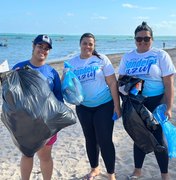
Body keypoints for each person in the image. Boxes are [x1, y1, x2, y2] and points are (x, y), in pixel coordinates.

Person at [118, 22, 176, 180]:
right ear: (134, 39)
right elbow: (121, 80)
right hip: (134, 104)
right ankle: (137, 171)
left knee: (158, 138)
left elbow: (169, 83)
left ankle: (165, 175)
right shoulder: (128, 56)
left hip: (155, 102)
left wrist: (168, 107)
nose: (142, 42)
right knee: (139, 136)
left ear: (152, 39)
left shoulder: (160, 55)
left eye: (146, 38)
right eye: (139, 39)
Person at [63, 33, 121, 180]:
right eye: (85, 43)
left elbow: (113, 83)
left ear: (94, 46)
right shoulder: (72, 62)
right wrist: (65, 75)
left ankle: (111, 174)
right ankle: (94, 169)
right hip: (83, 107)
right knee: (90, 139)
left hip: (104, 105)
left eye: (90, 44)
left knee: (105, 139)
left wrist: (117, 105)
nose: (87, 46)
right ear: (80, 44)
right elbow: (66, 86)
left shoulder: (101, 59)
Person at [12, 34, 63, 180]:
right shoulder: (19, 68)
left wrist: (56, 121)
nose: (43, 50)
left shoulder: (52, 72)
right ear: (33, 46)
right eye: (40, 46)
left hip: (47, 123)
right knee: (27, 154)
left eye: (46, 48)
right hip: (25, 122)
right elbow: (10, 96)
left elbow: (58, 98)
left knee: (45, 156)